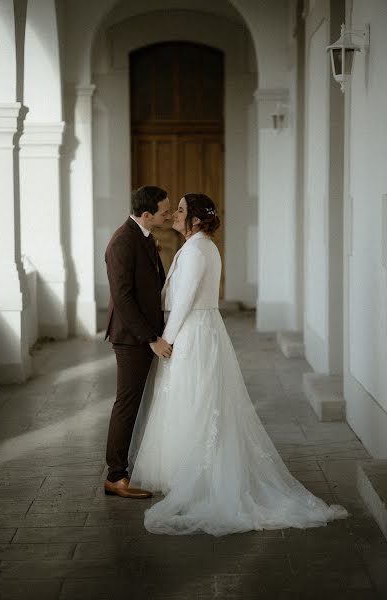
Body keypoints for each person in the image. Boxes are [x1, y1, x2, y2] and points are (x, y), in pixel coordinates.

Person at [128, 193, 349, 535]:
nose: (175, 215)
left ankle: (203, 477)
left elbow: (185, 299)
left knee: (198, 401)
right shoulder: (197, 246)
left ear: (197, 220)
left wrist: (167, 338)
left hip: (193, 331)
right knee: (190, 400)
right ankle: (189, 471)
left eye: (182, 211)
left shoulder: (200, 249)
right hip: (194, 329)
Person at [104, 185, 172, 499]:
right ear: (147, 215)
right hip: (132, 338)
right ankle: (116, 476)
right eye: (165, 212)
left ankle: (132, 466)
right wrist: (151, 338)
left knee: (138, 403)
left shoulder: (143, 236)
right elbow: (123, 299)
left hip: (144, 334)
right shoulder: (122, 241)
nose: (169, 216)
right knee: (127, 404)